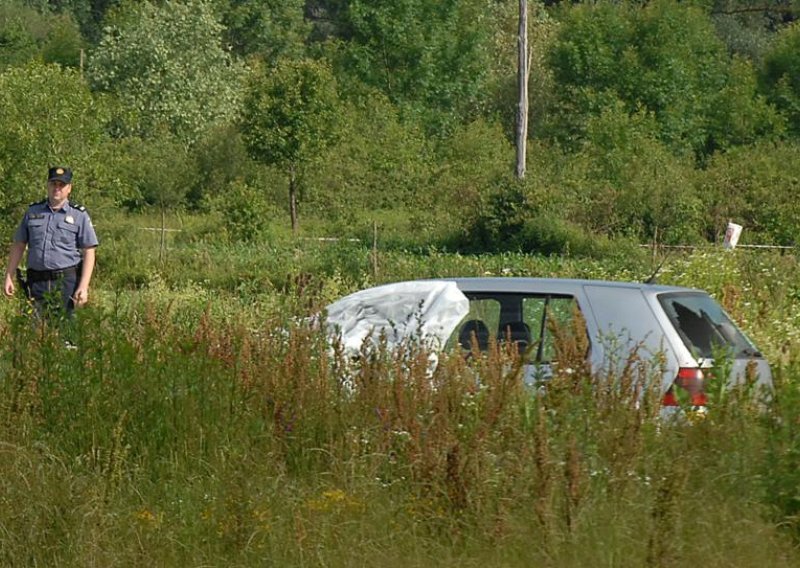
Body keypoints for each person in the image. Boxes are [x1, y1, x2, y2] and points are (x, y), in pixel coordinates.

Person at [3, 166, 99, 320]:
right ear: (47, 185)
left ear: (69, 189)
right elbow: (19, 244)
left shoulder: (78, 214)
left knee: (65, 333)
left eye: (62, 185)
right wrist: (9, 275)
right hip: (36, 283)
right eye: (53, 184)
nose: (57, 188)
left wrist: (83, 286)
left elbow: (89, 250)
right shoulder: (33, 212)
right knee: (34, 333)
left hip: (65, 283)